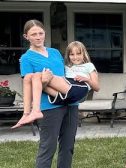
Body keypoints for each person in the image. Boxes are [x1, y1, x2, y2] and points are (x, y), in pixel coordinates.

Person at [18, 19, 80, 168]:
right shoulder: (26, 59)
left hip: (70, 103)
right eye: (34, 34)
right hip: (49, 107)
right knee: (48, 147)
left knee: (68, 146)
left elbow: (64, 75)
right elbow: (31, 84)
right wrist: (44, 82)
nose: (38, 37)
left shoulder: (55, 52)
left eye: (40, 33)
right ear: (26, 37)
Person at [12, 41, 100, 129]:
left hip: (79, 88)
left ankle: (36, 111)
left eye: (78, 54)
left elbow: (97, 87)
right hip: (65, 95)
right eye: (72, 54)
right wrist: (23, 60)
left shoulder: (88, 66)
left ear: (84, 54)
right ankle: (26, 113)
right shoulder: (67, 67)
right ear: (68, 56)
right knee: (29, 77)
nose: (75, 57)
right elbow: (55, 66)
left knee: (37, 76)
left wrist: (87, 79)